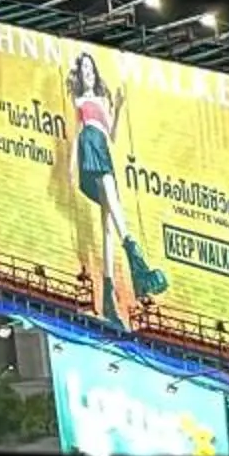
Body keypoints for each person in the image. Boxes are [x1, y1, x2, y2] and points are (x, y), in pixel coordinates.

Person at [68, 51, 169, 324]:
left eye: (91, 67)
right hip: (90, 146)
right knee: (113, 207)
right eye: (84, 68)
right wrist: (70, 166)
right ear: (80, 74)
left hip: (102, 148)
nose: (88, 72)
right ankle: (138, 260)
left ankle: (108, 294)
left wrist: (120, 106)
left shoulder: (103, 99)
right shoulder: (79, 101)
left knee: (107, 226)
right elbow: (78, 134)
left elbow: (111, 134)